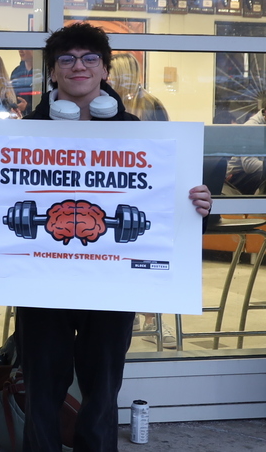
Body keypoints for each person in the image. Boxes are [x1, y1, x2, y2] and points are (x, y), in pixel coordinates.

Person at [0, 22, 212, 452]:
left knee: (103, 391)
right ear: (52, 73)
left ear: (106, 69)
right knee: (42, 389)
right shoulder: (21, 134)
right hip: (40, 285)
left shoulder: (142, 139)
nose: (78, 66)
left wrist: (196, 203)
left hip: (112, 285)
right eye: (66, 59)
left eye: (90, 58)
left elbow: (169, 208)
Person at [107, 52, 173, 347]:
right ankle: (145, 316)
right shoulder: (107, 110)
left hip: (141, 195)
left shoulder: (147, 107)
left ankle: (148, 316)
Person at [108, 52, 168, 122]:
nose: (107, 79)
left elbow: (160, 131)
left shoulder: (151, 105)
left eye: (109, 75)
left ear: (121, 77)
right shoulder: (107, 101)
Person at [10, 50, 38, 116]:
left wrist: (27, 106)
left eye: (25, 48)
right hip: (18, 116)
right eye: (20, 48)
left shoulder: (41, 71)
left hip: (36, 116)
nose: (20, 51)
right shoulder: (16, 72)